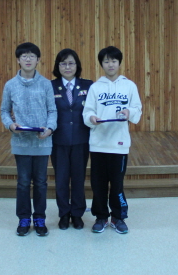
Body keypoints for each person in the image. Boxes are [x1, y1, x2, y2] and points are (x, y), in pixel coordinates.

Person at [82, 46, 142, 234]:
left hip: (119, 145)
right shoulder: (95, 87)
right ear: (101, 64)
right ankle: (101, 217)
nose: (110, 64)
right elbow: (87, 112)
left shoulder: (129, 86)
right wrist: (91, 118)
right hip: (98, 144)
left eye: (114, 61)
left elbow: (137, 110)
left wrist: (129, 112)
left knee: (117, 184)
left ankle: (118, 217)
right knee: (98, 184)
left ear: (119, 63)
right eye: (106, 61)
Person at [0, 42, 57, 237]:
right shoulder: (10, 85)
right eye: (24, 56)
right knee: (23, 182)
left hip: (42, 141)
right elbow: (4, 111)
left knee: (41, 182)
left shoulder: (46, 84)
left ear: (38, 60)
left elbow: (52, 110)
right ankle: (23, 219)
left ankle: (40, 218)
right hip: (21, 142)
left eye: (32, 56)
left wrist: (50, 129)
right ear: (18, 59)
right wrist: (10, 125)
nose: (28, 59)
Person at [50, 48, 93, 230]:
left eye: (71, 63)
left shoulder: (88, 85)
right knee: (61, 179)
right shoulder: (50, 86)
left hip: (81, 139)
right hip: (58, 140)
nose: (67, 67)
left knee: (78, 178)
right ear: (58, 66)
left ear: (77, 65)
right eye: (63, 63)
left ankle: (77, 214)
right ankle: (63, 213)